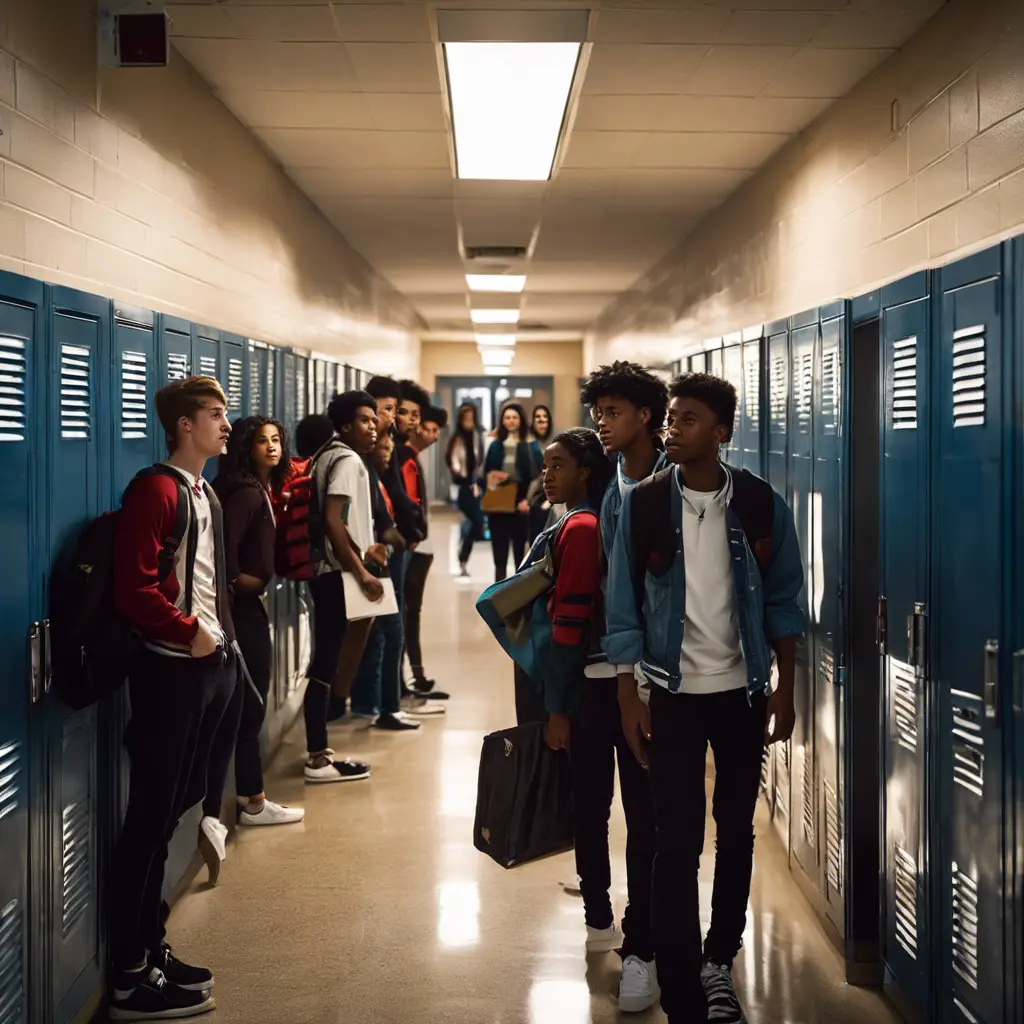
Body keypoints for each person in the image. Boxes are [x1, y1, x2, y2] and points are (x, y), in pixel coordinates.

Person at [605, 373, 806, 1024]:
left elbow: (783, 601)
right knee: (675, 839)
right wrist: (631, 696)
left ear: (721, 432)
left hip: (742, 693)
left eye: (687, 419)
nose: (672, 428)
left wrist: (786, 688)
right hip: (671, 693)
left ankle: (719, 959)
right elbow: (623, 607)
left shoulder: (758, 503)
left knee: (737, 832)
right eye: (671, 418)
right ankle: (683, 983)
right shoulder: (644, 505)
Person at [108, 375, 237, 1020]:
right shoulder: (156, 490)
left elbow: (208, 583)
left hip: (211, 669)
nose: (227, 425)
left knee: (171, 815)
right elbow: (133, 591)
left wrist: (222, 647)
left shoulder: (202, 490)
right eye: (215, 415)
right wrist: (189, 634)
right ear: (184, 424)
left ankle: (150, 946)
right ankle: (129, 976)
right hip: (171, 673)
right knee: (148, 823)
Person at [536, 427, 658, 1014]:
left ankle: (610, 920)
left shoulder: (583, 527)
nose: (547, 474)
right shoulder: (592, 517)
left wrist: (555, 708)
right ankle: (610, 917)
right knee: (615, 808)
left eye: (557, 464)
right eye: (545, 465)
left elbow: (568, 626)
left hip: (600, 693)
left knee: (604, 808)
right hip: (615, 688)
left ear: (586, 470)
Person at [198, 417, 305, 885]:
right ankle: (249, 803)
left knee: (246, 710)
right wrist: (244, 587)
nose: (271, 447)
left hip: (247, 608)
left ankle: (248, 799)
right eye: (261, 441)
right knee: (248, 710)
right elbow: (224, 558)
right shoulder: (243, 491)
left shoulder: (255, 488)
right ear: (244, 447)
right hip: (240, 614)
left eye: (276, 439)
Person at [303, 390, 385, 783]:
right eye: (367, 420)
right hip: (337, 574)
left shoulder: (327, 454)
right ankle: (317, 757)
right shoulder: (348, 460)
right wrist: (361, 572)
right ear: (347, 425)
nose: (375, 427)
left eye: (374, 420)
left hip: (329, 570)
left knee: (331, 656)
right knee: (326, 662)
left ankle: (322, 746)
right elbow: (335, 521)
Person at [347, 429, 421, 731]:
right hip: (373, 566)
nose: (388, 452)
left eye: (391, 447)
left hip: (381, 563)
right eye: (384, 447)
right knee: (389, 634)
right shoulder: (362, 474)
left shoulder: (377, 477)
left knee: (383, 635)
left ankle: (378, 704)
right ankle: (384, 707)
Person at [397, 404, 449, 709]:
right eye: (424, 426)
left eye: (434, 428)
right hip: (411, 545)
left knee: (410, 612)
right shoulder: (404, 455)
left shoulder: (413, 455)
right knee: (407, 612)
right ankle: (409, 679)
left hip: (419, 542)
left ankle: (415, 676)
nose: (430, 433)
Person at [483, 403, 539, 581]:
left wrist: (528, 500)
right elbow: (485, 473)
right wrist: (494, 477)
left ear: (521, 420)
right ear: (502, 420)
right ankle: (497, 595)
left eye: (514, 417)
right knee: (499, 554)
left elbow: (537, 475)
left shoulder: (530, 444)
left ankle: (517, 596)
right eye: (507, 417)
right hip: (499, 502)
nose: (511, 421)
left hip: (520, 502)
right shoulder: (495, 444)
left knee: (519, 554)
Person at [445, 401, 485, 576]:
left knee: (474, 524)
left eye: (471, 418)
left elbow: (480, 460)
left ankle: (462, 559)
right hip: (463, 488)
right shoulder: (457, 439)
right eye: (465, 418)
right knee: (474, 522)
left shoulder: (477, 437)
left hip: (475, 486)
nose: (468, 421)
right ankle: (461, 559)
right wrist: (458, 472)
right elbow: (453, 462)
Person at [527, 404, 553, 542]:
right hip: (530, 496)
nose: (541, 420)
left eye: (545, 417)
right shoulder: (528, 445)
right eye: (538, 417)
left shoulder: (553, 443)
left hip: (547, 495)